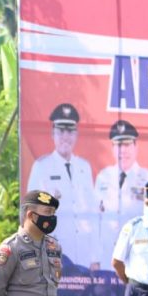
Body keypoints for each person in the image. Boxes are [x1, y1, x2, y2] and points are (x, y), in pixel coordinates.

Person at [26, 103, 97, 271]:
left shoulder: (84, 167)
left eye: (70, 131)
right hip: (53, 251)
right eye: (61, 131)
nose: (66, 136)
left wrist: (95, 256)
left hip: (82, 253)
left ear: (77, 134)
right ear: (53, 133)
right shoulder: (42, 166)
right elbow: (31, 214)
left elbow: (91, 213)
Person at [95, 121, 148, 272]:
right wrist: (94, 258)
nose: (122, 151)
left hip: (137, 256)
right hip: (107, 257)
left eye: (127, 145)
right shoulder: (103, 177)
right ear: (112, 148)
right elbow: (95, 220)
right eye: (118, 145)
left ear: (136, 146)